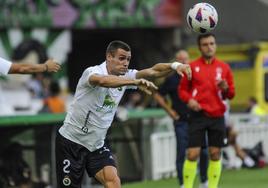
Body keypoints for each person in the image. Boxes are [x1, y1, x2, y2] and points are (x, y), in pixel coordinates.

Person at [55, 40, 191, 188]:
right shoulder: (93, 72)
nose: (125, 63)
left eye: (128, 59)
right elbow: (103, 81)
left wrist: (176, 65)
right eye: (121, 58)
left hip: (96, 145)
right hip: (71, 143)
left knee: (114, 182)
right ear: (109, 56)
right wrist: (133, 82)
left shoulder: (126, 76)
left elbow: (154, 71)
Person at [179, 33, 235, 188]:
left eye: (212, 43)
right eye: (205, 44)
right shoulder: (191, 66)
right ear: (199, 47)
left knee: (215, 154)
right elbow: (182, 90)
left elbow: (230, 94)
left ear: (215, 45)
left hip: (217, 115)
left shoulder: (224, 68)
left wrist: (226, 88)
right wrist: (189, 100)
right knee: (192, 154)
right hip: (198, 115)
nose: (209, 47)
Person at [153, 50, 208, 188]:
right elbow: (158, 95)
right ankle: (183, 184)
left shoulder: (196, 77)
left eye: (186, 59)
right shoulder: (171, 80)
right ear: (176, 62)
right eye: (180, 60)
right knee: (182, 152)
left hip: (197, 120)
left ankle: (204, 181)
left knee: (204, 151)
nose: (184, 62)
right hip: (181, 121)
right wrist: (170, 111)